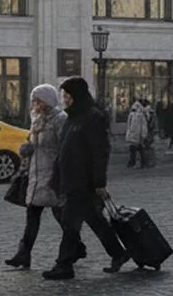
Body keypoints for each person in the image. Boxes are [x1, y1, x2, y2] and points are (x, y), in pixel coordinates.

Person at [42, 77, 130, 280]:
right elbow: (64, 148)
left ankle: (64, 265)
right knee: (95, 219)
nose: (64, 99)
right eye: (64, 96)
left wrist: (99, 182)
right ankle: (118, 253)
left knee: (70, 222)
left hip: (83, 181)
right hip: (70, 179)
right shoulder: (71, 118)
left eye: (67, 96)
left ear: (77, 96)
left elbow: (100, 152)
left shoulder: (93, 117)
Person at [5, 84, 85, 269]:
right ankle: (23, 254)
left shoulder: (60, 119)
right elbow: (33, 142)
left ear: (48, 101)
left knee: (61, 215)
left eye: (39, 101)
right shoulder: (36, 118)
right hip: (36, 173)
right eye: (34, 101)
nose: (36, 105)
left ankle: (77, 246)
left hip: (53, 174)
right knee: (32, 214)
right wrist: (27, 149)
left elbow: (65, 147)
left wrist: (63, 172)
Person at [125, 100, 147, 168]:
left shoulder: (137, 115)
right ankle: (136, 161)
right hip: (135, 134)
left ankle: (136, 161)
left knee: (137, 148)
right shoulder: (134, 115)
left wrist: (143, 135)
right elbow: (129, 125)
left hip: (136, 134)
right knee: (136, 148)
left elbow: (129, 126)